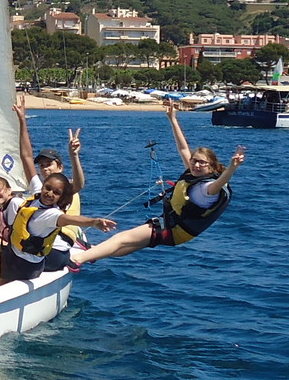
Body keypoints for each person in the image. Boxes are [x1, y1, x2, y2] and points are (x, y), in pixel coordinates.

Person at [69, 100, 245, 263]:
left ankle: (77, 260)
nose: (196, 165)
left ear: (211, 167)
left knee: (122, 238)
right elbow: (183, 147)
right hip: (178, 229)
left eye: (202, 163)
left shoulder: (206, 189)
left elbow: (219, 183)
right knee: (129, 245)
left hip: (174, 229)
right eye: (194, 161)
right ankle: (93, 253)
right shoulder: (194, 173)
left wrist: (232, 167)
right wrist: (173, 119)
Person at [0, 172, 115, 283]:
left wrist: (93, 222)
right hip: (16, 254)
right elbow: (28, 163)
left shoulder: (52, 214)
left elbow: (69, 219)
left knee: (1, 276)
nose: (50, 193)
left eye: (56, 193)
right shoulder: (36, 197)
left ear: (61, 197)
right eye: (48, 188)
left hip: (26, 265)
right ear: (42, 186)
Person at [13, 102, 88, 273]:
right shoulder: (40, 189)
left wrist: (74, 155)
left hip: (55, 252)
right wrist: (22, 121)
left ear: (60, 167)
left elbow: (79, 184)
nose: (45, 169)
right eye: (42, 166)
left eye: (49, 164)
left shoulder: (64, 191)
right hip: (38, 247)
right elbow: (26, 156)